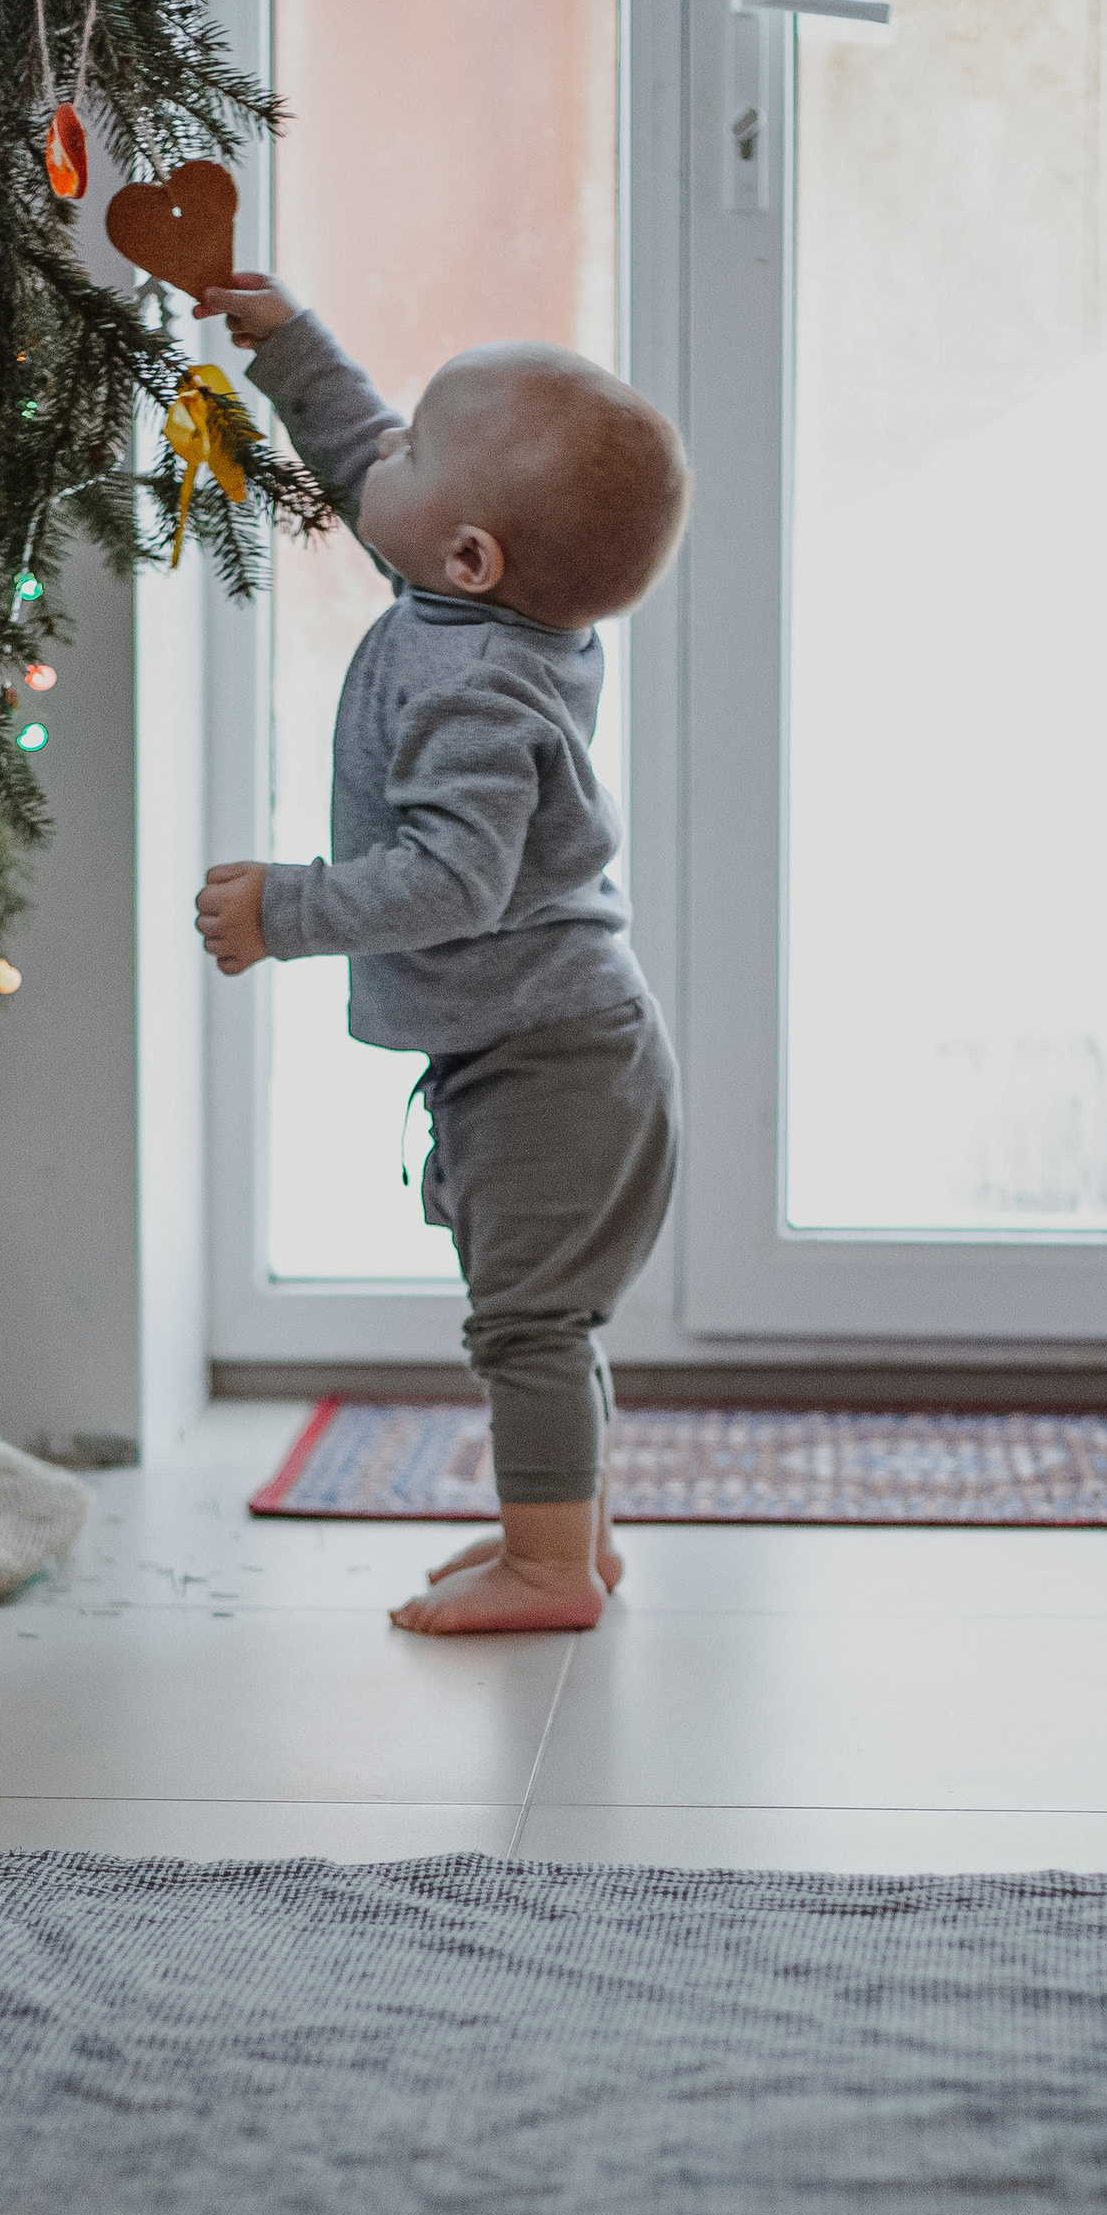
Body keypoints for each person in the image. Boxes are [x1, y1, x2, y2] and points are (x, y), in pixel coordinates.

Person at [194, 272, 690, 1634]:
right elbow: (363, 458)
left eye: (417, 450)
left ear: (468, 555)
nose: (384, 458)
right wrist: (291, 347)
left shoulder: (476, 689)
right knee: (546, 1320)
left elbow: (454, 883)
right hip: (547, 1043)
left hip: (554, 1065)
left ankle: (547, 1570)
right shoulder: (487, 607)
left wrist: (287, 911)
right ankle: (571, 1540)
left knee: (527, 1326)